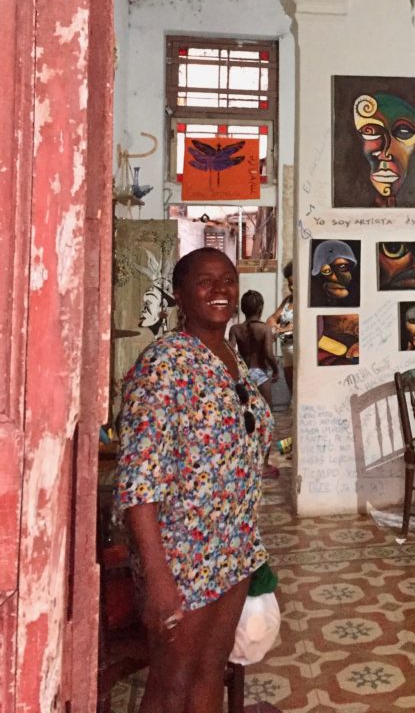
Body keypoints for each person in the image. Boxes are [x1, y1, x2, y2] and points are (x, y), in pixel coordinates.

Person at [115, 247, 273, 713]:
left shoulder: (228, 354)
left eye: (227, 279)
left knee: (210, 673)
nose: (219, 290)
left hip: (234, 547)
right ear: (180, 295)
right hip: (183, 556)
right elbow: (139, 482)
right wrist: (160, 580)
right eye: (204, 281)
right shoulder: (163, 365)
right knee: (171, 684)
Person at [229, 290, 280, 478]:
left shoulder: (236, 329)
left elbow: (231, 353)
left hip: (243, 376)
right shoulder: (265, 329)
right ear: (261, 308)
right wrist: (275, 370)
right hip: (261, 375)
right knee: (266, 420)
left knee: (244, 419)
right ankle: (264, 464)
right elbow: (268, 353)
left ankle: (244, 460)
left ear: (243, 308)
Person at [267, 261, 294, 396]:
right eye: (289, 283)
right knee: (292, 393)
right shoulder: (288, 300)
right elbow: (271, 319)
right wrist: (275, 326)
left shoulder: (306, 302)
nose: (292, 287)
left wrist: (286, 328)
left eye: (295, 283)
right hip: (287, 354)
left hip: (299, 354)